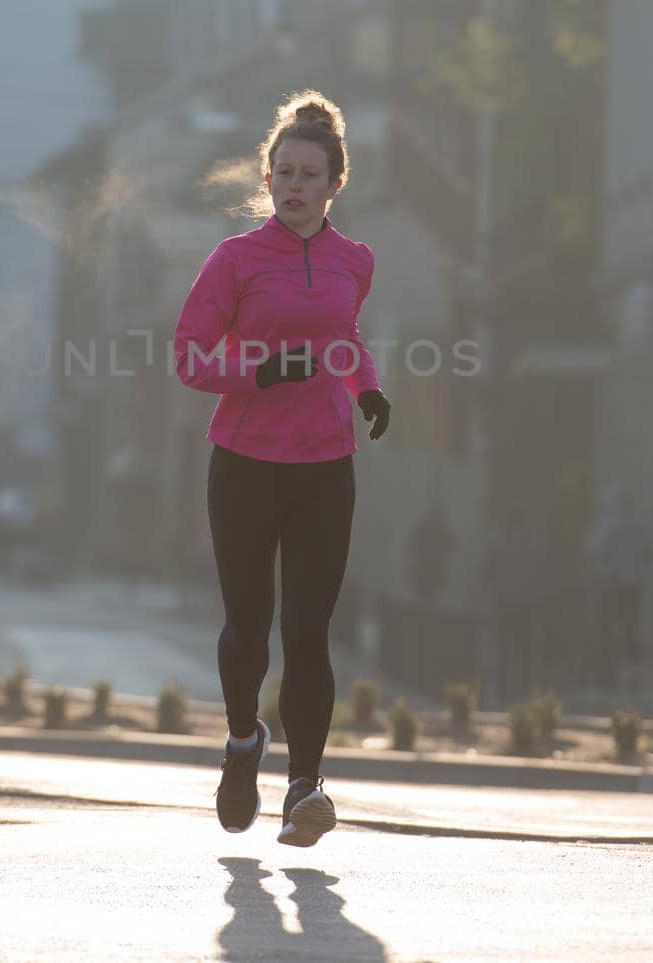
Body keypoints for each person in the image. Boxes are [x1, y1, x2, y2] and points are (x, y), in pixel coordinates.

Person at [174, 90, 390, 848]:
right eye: (284, 171)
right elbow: (190, 356)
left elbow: (345, 336)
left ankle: (306, 786)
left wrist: (367, 388)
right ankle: (242, 746)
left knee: (309, 629)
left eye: (311, 173)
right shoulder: (234, 260)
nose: (296, 184)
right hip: (244, 463)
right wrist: (262, 369)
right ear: (267, 180)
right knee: (248, 630)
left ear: (336, 182)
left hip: (325, 465)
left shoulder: (354, 262)